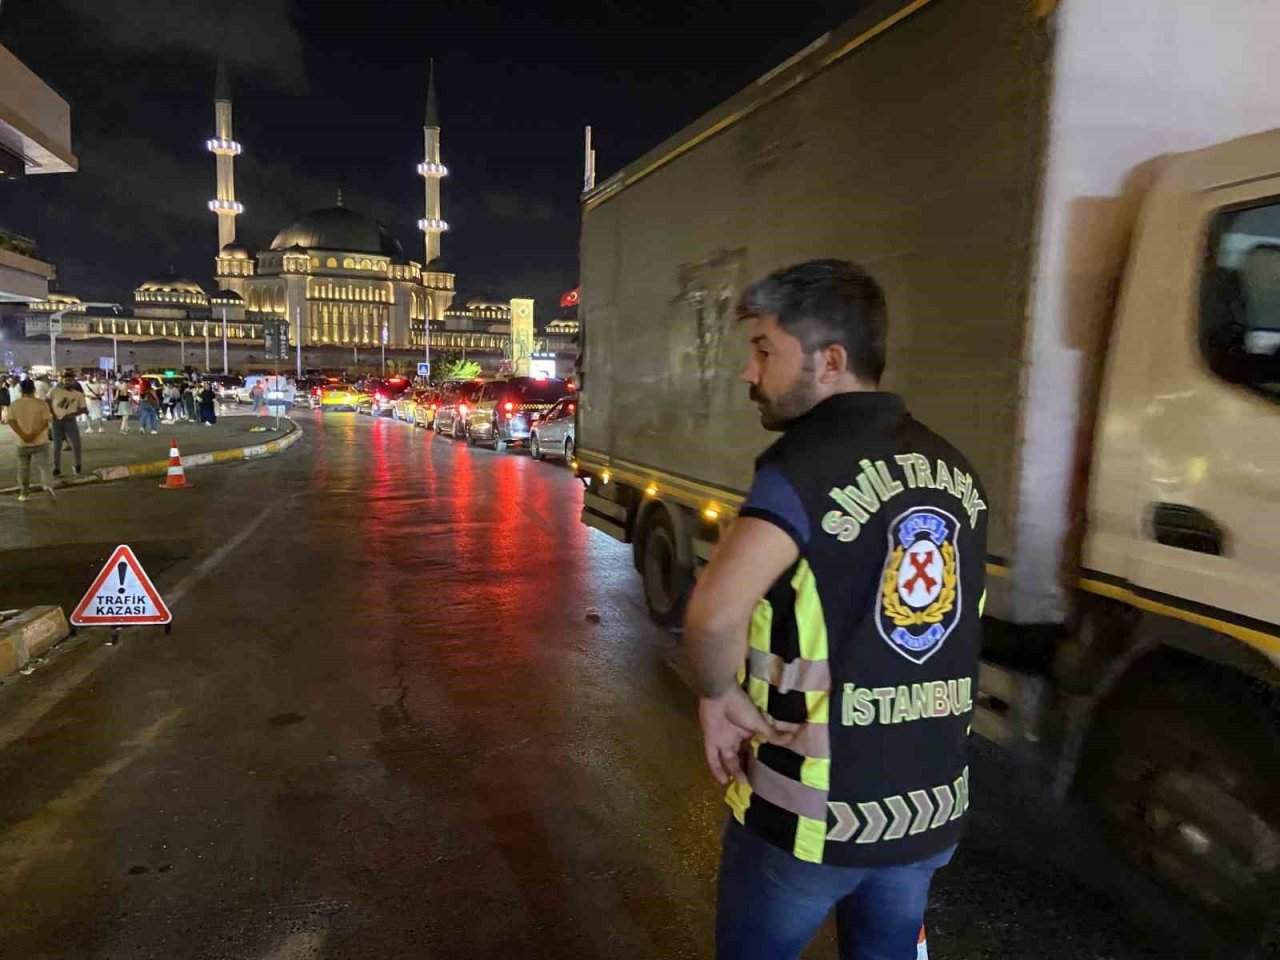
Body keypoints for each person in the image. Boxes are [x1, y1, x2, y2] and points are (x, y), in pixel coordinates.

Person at [684, 261, 987, 960]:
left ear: (831, 361)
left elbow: (713, 615)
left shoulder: (802, 467)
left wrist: (716, 694)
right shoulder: (957, 471)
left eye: (764, 350)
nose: (748, 372)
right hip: (926, 809)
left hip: (810, 819)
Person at [6, 379, 54, 502]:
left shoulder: (15, 404)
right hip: (40, 441)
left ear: (21, 390)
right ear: (34, 389)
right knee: (44, 466)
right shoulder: (42, 404)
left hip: (21, 443)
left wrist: (23, 435)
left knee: (23, 467)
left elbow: (11, 421)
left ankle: (24, 492)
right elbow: (45, 422)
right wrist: (34, 434)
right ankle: (47, 486)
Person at [48, 370, 87, 478]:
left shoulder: (77, 394)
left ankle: (77, 466)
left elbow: (83, 408)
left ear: (73, 381)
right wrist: (52, 414)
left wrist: (73, 414)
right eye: (66, 379)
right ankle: (56, 468)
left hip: (71, 421)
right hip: (57, 421)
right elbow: (47, 401)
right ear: (62, 379)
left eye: (70, 379)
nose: (68, 381)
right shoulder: (54, 390)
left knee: (76, 444)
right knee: (57, 445)